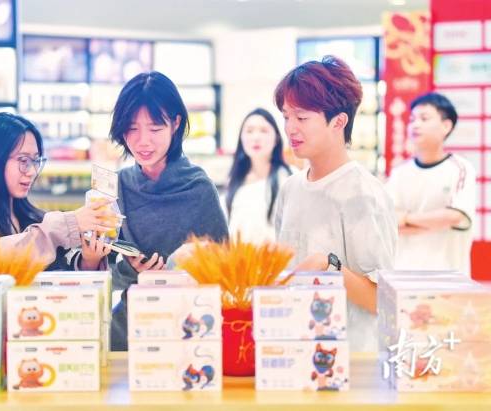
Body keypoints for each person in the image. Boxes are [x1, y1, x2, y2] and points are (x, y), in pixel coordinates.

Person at [273, 56, 397, 352]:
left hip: (352, 357)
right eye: (286, 116)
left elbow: (382, 300)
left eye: (302, 118)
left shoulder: (363, 193)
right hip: (295, 349)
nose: (290, 128)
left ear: (339, 121)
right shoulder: (290, 188)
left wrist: (328, 266)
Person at [109, 71, 228, 350]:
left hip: (185, 333)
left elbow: (224, 270)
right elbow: (103, 274)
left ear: (175, 124)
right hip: (126, 331)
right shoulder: (118, 185)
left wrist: (175, 273)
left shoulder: (198, 188)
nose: (143, 141)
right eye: (132, 128)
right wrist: (131, 269)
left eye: (155, 128)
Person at [0, 112, 116, 270]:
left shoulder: (26, 214)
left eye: (36, 161)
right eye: (23, 160)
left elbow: (45, 277)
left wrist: (88, 261)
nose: (31, 171)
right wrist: (68, 224)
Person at [386, 92, 475, 275]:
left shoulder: (461, 169)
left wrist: (406, 219)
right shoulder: (399, 172)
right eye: (412, 119)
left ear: (446, 126)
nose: (415, 124)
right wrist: (433, 223)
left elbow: (453, 216)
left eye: (424, 118)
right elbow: (388, 221)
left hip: (448, 279)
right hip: (403, 275)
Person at [225, 108, 291, 243]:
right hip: (238, 255)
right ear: (241, 138)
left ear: (277, 138)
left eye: (264, 131)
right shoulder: (234, 179)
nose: (256, 137)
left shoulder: (288, 178)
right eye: (249, 131)